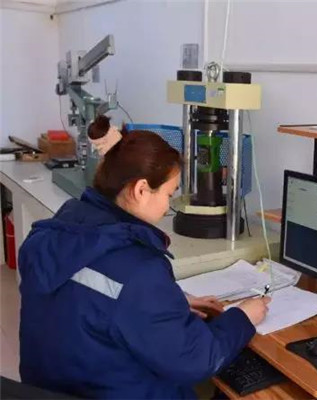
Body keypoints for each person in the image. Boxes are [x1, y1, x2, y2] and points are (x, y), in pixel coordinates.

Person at [18, 116, 270, 399]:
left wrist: (170, 300)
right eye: (168, 194)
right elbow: (197, 360)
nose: (168, 205)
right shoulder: (139, 270)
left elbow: (90, 298)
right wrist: (243, 317)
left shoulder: (49, 236)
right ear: (140, 190)